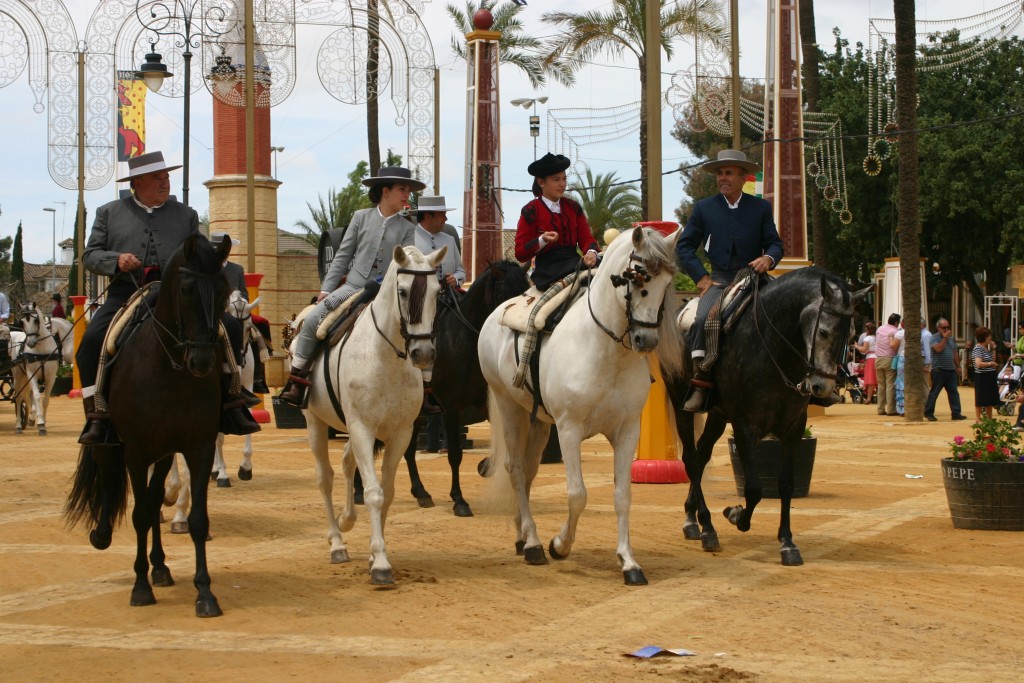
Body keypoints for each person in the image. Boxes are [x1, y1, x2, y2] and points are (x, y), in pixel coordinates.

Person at [76, 151, 259, 445]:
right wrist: (116, 260)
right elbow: (90, 255)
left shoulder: (186, 215)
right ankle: (97, 414)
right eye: (157, 178)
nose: (165, 182)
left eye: (166, 177)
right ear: (137, 182)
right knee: (91, 341)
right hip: (127, 292)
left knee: (232, 327)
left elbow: (199, 254)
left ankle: (231, 399)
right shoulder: (108, 212)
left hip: (177, 295)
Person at [279, 165, 431, 411]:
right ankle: (296, 380)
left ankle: (425, 389)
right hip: (352, 287)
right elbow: (343, 255)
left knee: (423, 328)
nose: (407, 195)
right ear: (385, 191)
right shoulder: (361, 217)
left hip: (388, 295)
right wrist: (327, 289)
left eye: (408, 190)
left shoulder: (408, 229)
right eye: (402, 189)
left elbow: (406, 266)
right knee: (314, 319)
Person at [676, 149, 783, 412]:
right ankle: (701, 382)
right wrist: (701, 278)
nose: (722, 178)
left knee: (784, 313)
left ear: (743, 177)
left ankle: (794, 381)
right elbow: (684, 247)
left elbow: (775, 244)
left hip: (754, 277)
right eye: (720, 173)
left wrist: (768, 258)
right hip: (719, 281)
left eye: (728, 173)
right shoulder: (704, 208)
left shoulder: (760, 207)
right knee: (703, 318)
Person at [414, 194, 465, 444]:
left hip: (451, 298)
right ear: (428, 216)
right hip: (424, 302)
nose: (445, 218)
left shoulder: (449, 239)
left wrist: (457, 278)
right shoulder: (410, 238)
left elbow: (461, 270)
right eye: (441, 214)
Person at [514, 153, 599, 291]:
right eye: (556, 179)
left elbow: (586, 238)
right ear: (541, 182)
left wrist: (591, 252)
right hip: (548, 271)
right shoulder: (530, 211)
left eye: (564, 179)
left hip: (575, 262)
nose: (562, 184)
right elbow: (520, 253)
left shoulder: (574, 207)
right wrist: (542, 240)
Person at [923, 318, 967, 421]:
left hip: (950, 370)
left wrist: (958, 366)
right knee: (934, 392)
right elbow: (938, 349)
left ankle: (956, 413)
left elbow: (954, 352)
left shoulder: (951, 339)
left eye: (947, 327)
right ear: (938, 328)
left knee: (953, 392)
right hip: (939, 369)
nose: (946, 329)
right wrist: (945, 338)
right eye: (944, 327)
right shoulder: (934, 338)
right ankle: (929, 413)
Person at [971, 326, 1000, 421]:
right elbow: (978, 363)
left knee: (989, 399)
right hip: (982, 376)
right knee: (980, 397)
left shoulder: (986, 348)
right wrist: (990, 364)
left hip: (990, 375)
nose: (990, 338)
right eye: (989, 336)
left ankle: (989, 418)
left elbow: (993, 360)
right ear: (985, 337)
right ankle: (978, 418)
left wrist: (993, 349)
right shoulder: (978, 348)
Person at [874, 313, 901, 415]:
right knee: (890, 385)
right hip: (889, 359)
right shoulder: (896, 331)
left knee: (881, 386)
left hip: (878, 359)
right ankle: (891, 409)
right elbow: (895, 346)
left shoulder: (879, 329)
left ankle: (880, 409)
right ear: (896, 322)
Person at [855, 322, 877, 405]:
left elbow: (864, 350)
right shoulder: (877, 338)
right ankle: (870, 397)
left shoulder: (867, 338)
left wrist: (856, 346)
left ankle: (868, 398)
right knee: (875, 378)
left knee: (870, 379)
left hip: (870, 358)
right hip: (877, 357)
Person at [893, 321, 906, 415]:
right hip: (914, 358)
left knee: (900, 382)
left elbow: (893, 346)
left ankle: (901, 407)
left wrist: (890, 338)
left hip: (902, 357)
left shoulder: (900, 333)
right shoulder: (919, 333)